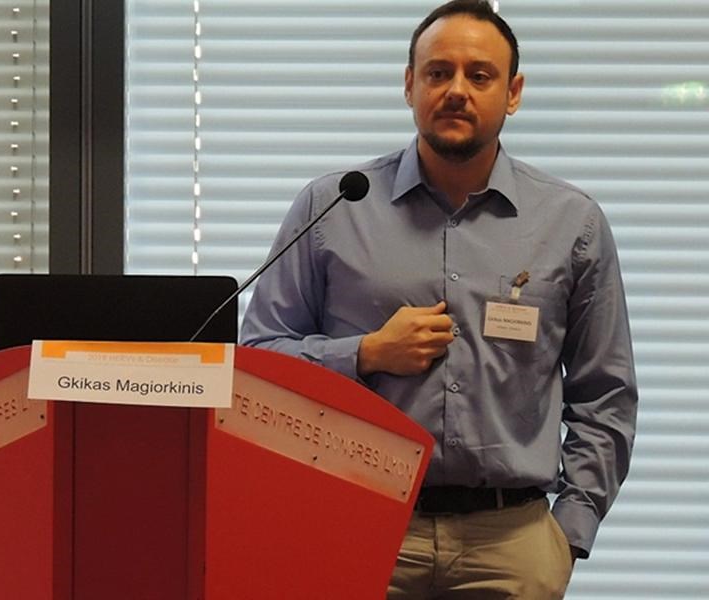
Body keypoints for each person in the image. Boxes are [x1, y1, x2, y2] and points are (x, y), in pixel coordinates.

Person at [239, 1, 638, 597]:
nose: (456, 90)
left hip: (510, 543)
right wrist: (365, 354)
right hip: (356, 522)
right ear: (409, 85)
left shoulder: (571, 223)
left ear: (513, 93)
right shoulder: (333, 208)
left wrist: (568, 531)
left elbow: (605, 393)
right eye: (437, 72)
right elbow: (259, 361)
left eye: (480, 75)